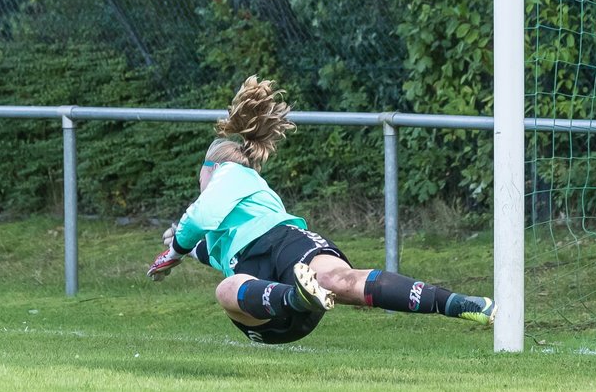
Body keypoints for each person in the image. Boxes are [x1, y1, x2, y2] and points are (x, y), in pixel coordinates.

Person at [147, 76, 496, 345]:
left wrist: (174, 251)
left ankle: (461, 305)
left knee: (337, 279)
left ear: (211, 168)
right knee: (231, 288)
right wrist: (185, 247)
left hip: (284, 244)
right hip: (273, 307)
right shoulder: (229, 218)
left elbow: (201, 216)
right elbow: (206, 239)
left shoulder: (233, 172)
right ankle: (298, 296)